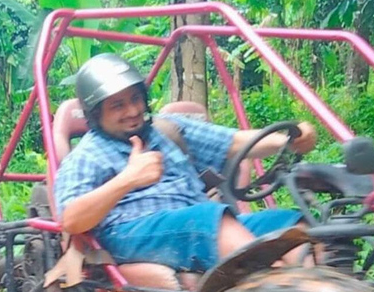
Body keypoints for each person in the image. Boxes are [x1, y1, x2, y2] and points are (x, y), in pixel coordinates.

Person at [54, 53, 316, 277]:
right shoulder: (87, 155)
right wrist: (128, 179)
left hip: (199, 220)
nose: (133, 111)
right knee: (207, 222)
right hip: (132, 232)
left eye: (135, 99)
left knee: (293, 226)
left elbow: (233, 142)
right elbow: (72, 220)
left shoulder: (166, 129)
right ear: (96, 114)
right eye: (117, 105)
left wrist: (288, 141)